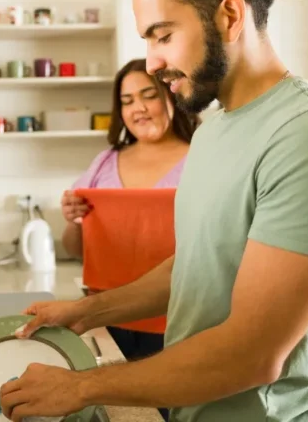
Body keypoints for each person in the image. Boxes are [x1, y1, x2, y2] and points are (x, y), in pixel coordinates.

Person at [0, 0, 308, 421]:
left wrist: (81, 387)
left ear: (229, 16)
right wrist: (86, 312)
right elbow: (196, 268)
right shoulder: (216, 128)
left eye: (161, 35)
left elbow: (252, 354)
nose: (151, 62)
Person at [61, 59, 196, 421]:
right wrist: (74, 220)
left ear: (170, 96)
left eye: (148, 95)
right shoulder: (105, 162)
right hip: (109, 319)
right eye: (127, 100)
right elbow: (76, 248)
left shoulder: (202, 156)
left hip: (179, 319)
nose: (138, 108)